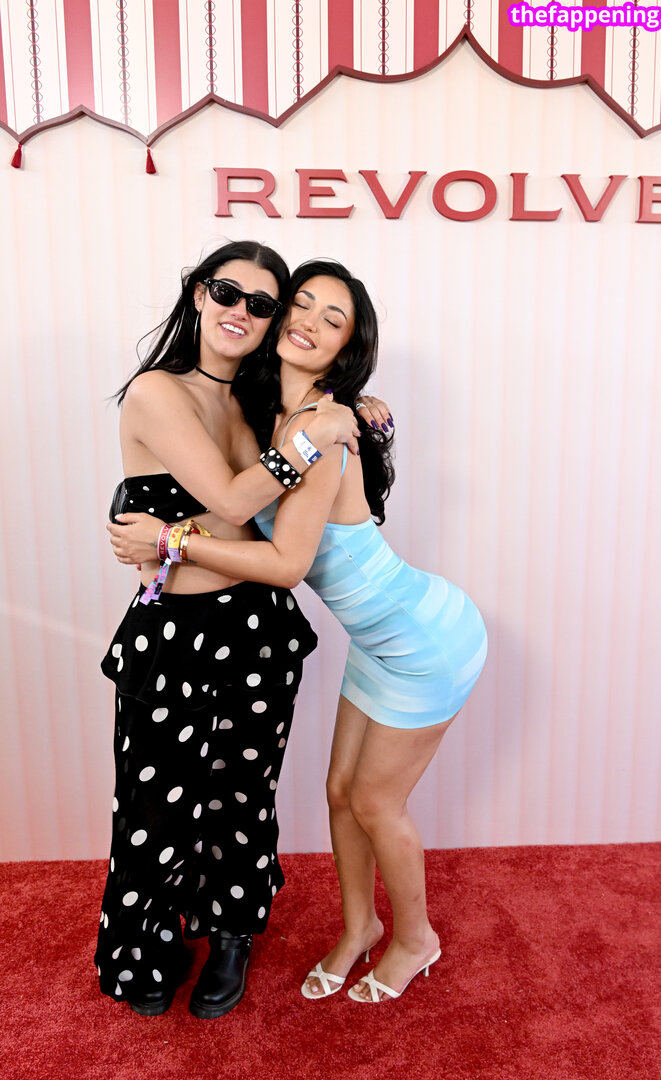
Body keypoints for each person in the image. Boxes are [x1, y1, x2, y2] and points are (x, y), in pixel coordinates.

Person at [108, 259, 488, 1005]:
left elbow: (285, 565)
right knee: (339, 792)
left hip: (426, 638)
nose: (306, 322)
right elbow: (222, 492)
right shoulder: (276, 418)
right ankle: (359, 929)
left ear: (347, 346)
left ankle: (415, 939)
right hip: (378, 641)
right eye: (300, 305)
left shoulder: (320, 430)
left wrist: (170, 540)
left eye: (331, 318)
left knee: (374, 803)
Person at [96, 240, 388, 1020]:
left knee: (242, 796)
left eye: (263, 304)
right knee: (154, 802)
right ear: (199, 293)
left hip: (259, 627)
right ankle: (146, 942)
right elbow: (232, 501)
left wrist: (353, 408)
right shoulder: (158, 391)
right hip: (173, 633)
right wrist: (312, 439)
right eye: (228, 293)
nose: (242, 312)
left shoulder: (261, 401)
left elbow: (308, 428)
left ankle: (231, 932)